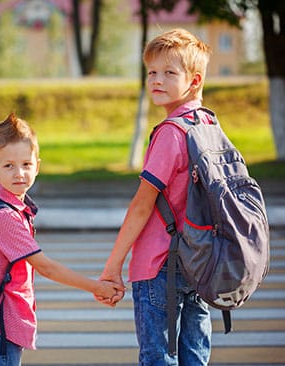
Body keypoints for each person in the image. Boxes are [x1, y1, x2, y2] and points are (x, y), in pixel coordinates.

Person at [98, 28, 213, 365]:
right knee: (195, 356)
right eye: (152, 72)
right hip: (199, 261)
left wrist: (113, 266)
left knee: (157, 358)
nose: (157, 80)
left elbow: (141, 206)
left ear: (194, 80)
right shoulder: (208, 123)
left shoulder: (170, 133)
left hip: (158, 265)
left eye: (169, 72)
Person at [0, 113, 124, 366]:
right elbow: (46, 267)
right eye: (8, 165)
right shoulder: (3, 216)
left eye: (26, 164)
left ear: (37, 167)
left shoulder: (7, 205)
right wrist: (96, 287)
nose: (19, 173)